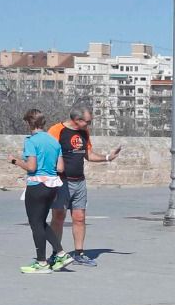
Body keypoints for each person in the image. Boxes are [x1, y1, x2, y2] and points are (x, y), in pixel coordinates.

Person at [47, 105, 120, 267]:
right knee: (58, 217)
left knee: (79, 218)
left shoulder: (83, 133)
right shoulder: (56, 130)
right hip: (61, 182)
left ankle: (79, 253)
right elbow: (46, 153)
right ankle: (55, 253)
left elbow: (88, 155)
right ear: (77, 120)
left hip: (79, 181)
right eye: (87, 122)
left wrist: (108, 157)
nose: (89, 125)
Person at [11, 109, 70, 273]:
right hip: (52, 186)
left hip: (37, 186)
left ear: (29, 123)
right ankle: (61, 253)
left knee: (35, 224)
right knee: (41, 223)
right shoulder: (54, 142)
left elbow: (31, 167)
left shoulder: (31, 141)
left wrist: (15, 161)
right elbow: (60, 167)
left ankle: (42, 262)